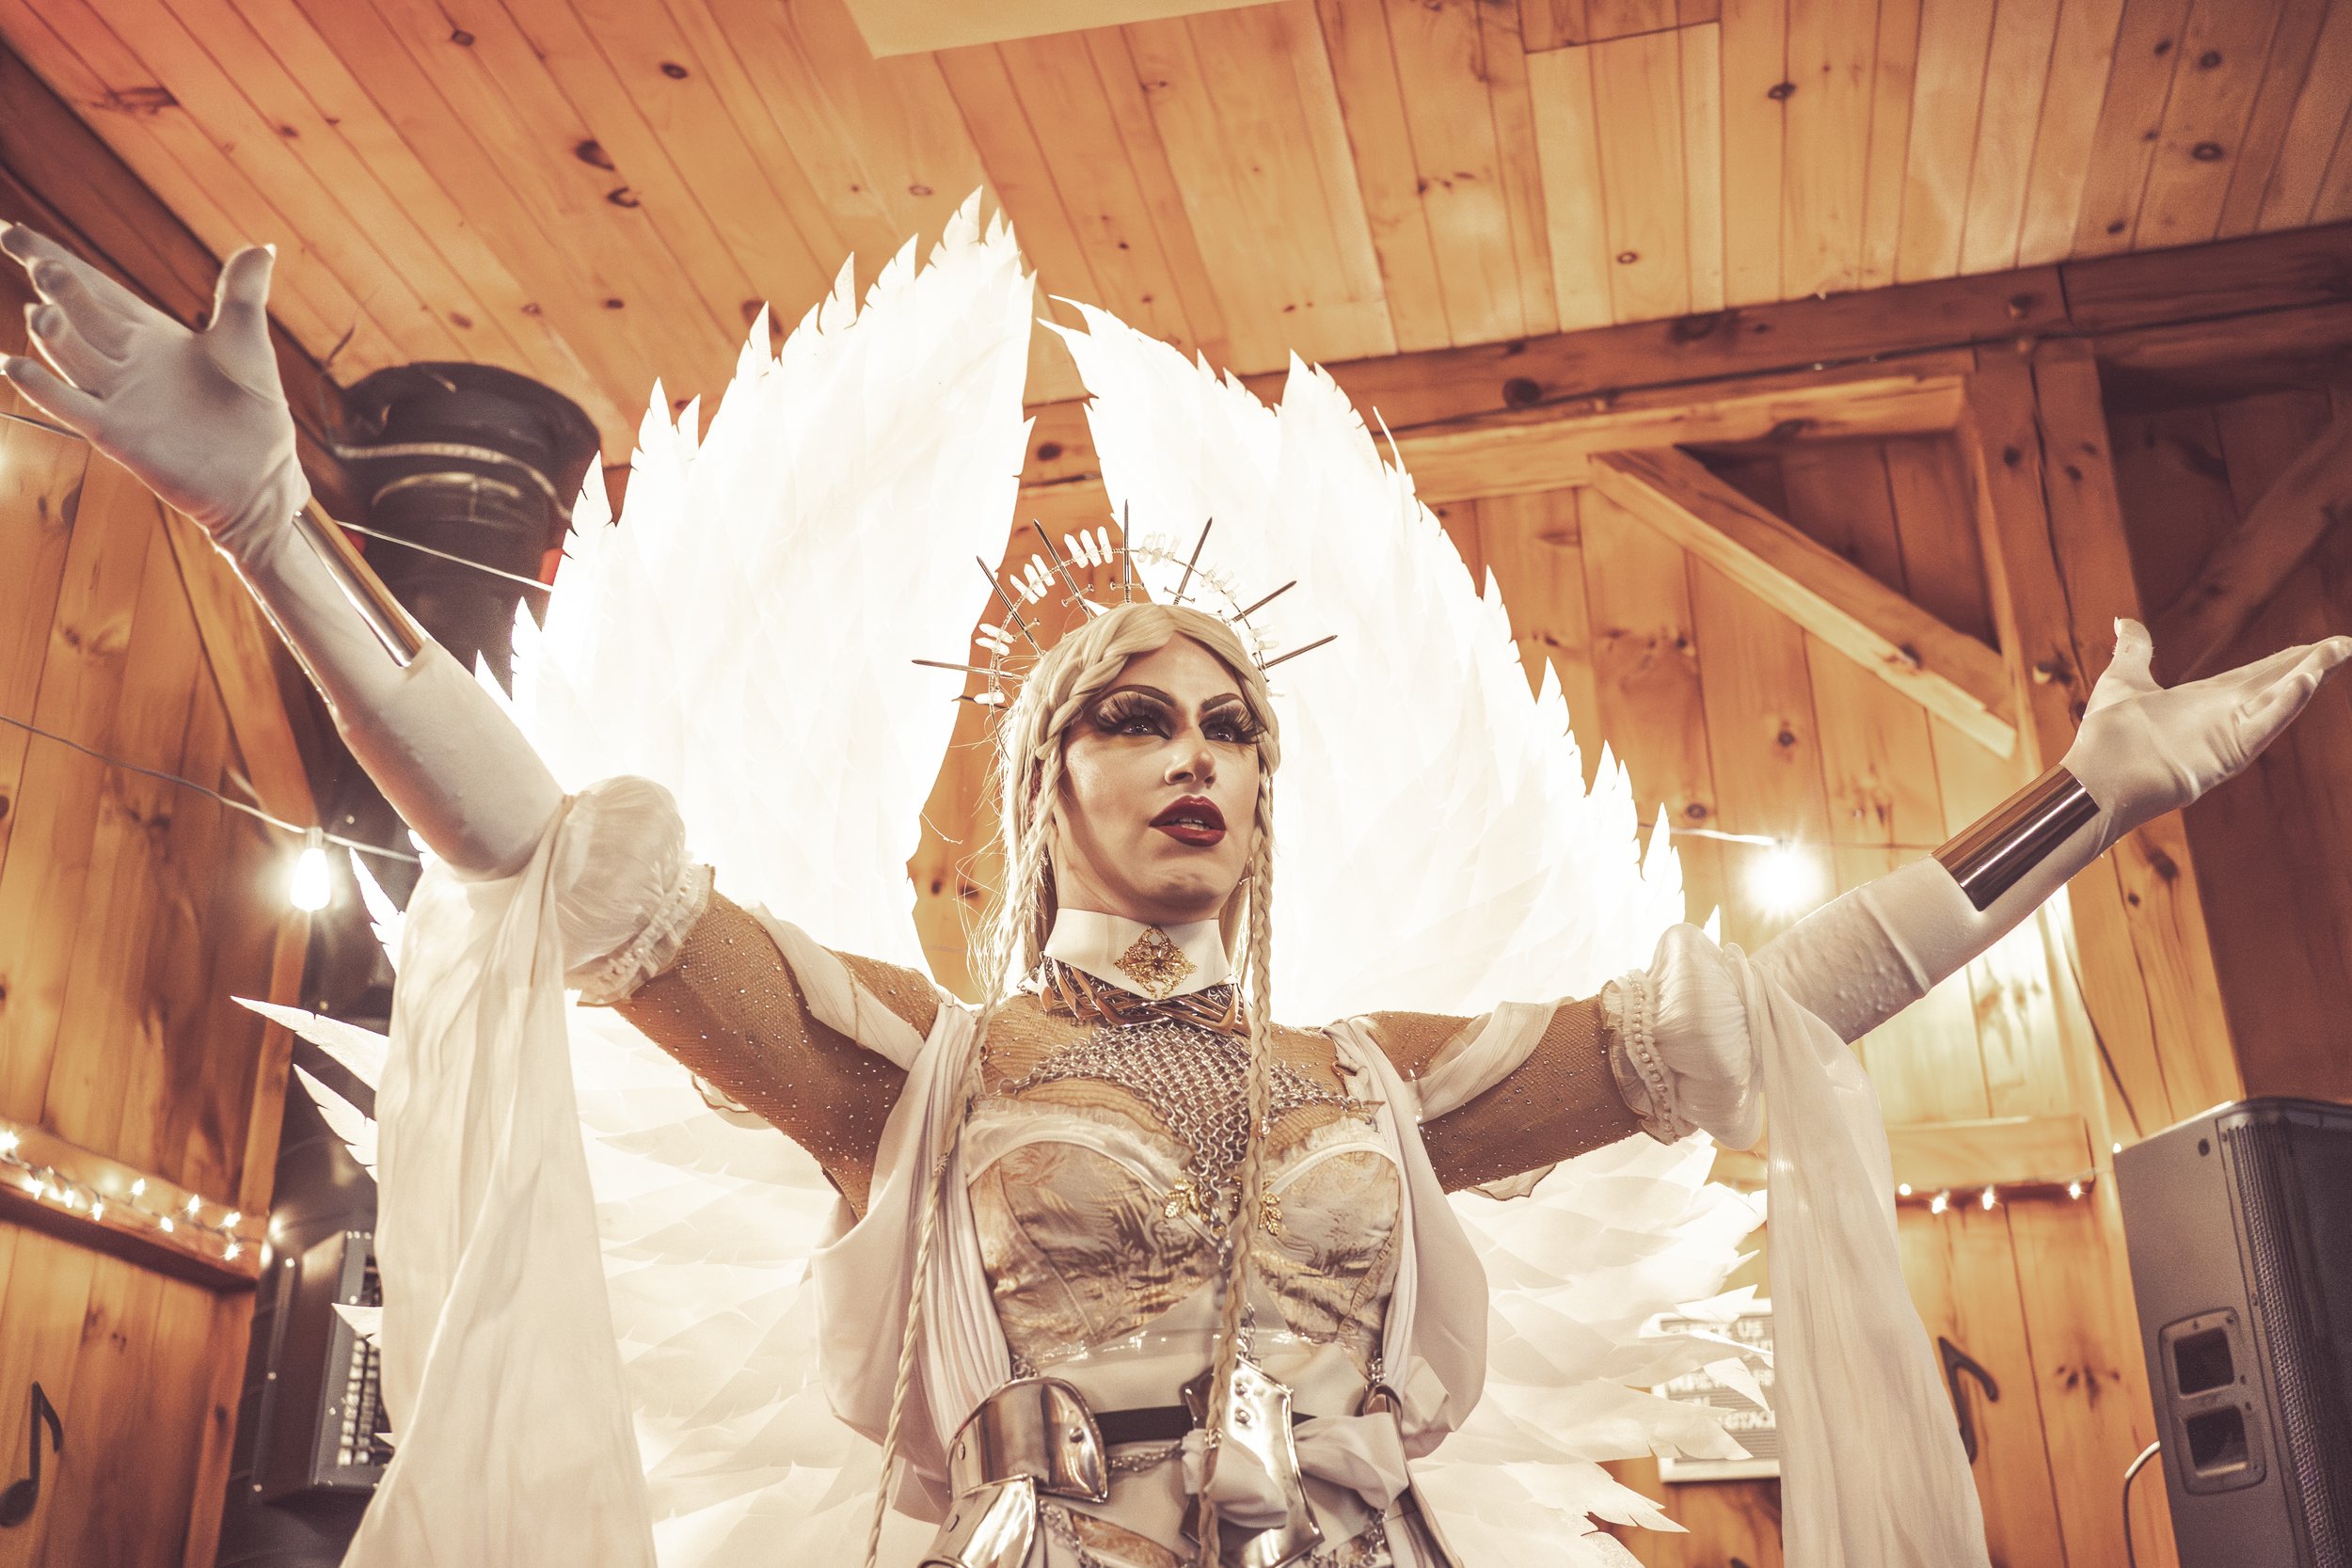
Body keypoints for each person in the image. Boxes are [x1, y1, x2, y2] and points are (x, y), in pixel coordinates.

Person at [7, 218, 2346, 1568]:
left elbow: (1761, 1007)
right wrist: (268, 526)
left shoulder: (1373, 1077)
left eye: (1231, 720)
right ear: (1044, 794)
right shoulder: (922, 1070)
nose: (1195, 750)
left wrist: (2090, 799)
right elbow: (537, 851)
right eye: (1134, 715)